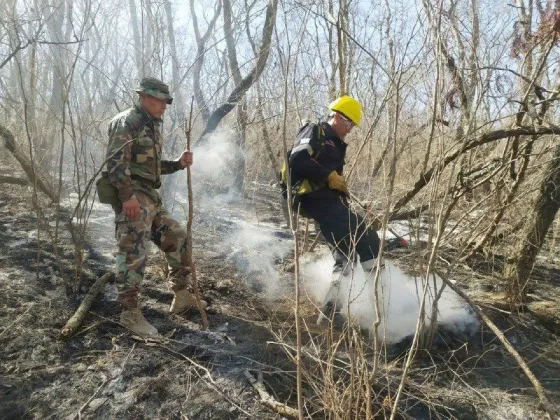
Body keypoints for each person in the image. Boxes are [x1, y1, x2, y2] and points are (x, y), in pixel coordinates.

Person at [104, 77, 205, 337]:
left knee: (178, 237)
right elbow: (116, 164)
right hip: (133, 194)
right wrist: (127, 197)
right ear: (143, 97)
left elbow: (150, 166)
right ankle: (129, 313)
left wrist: (178, 164)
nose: (164, 106)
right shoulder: (127, 121)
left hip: (149, 195)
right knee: (133, 249)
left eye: (166, 101)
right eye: (159, 100)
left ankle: (182, 296)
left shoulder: (150, 124)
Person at [283, 95, 381, 324]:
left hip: (326, 202)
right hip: (311, 198)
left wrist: (347, 197)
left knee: (345, 255)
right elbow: (296, 159)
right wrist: (327, 175)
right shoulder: (315, 131)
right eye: (349, 124)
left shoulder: (336, 144)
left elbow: (332, 182)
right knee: (367, 237)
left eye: (353, 126)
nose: (350, 130)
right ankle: (383, 298)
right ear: (337, 116)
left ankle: (329, 315)